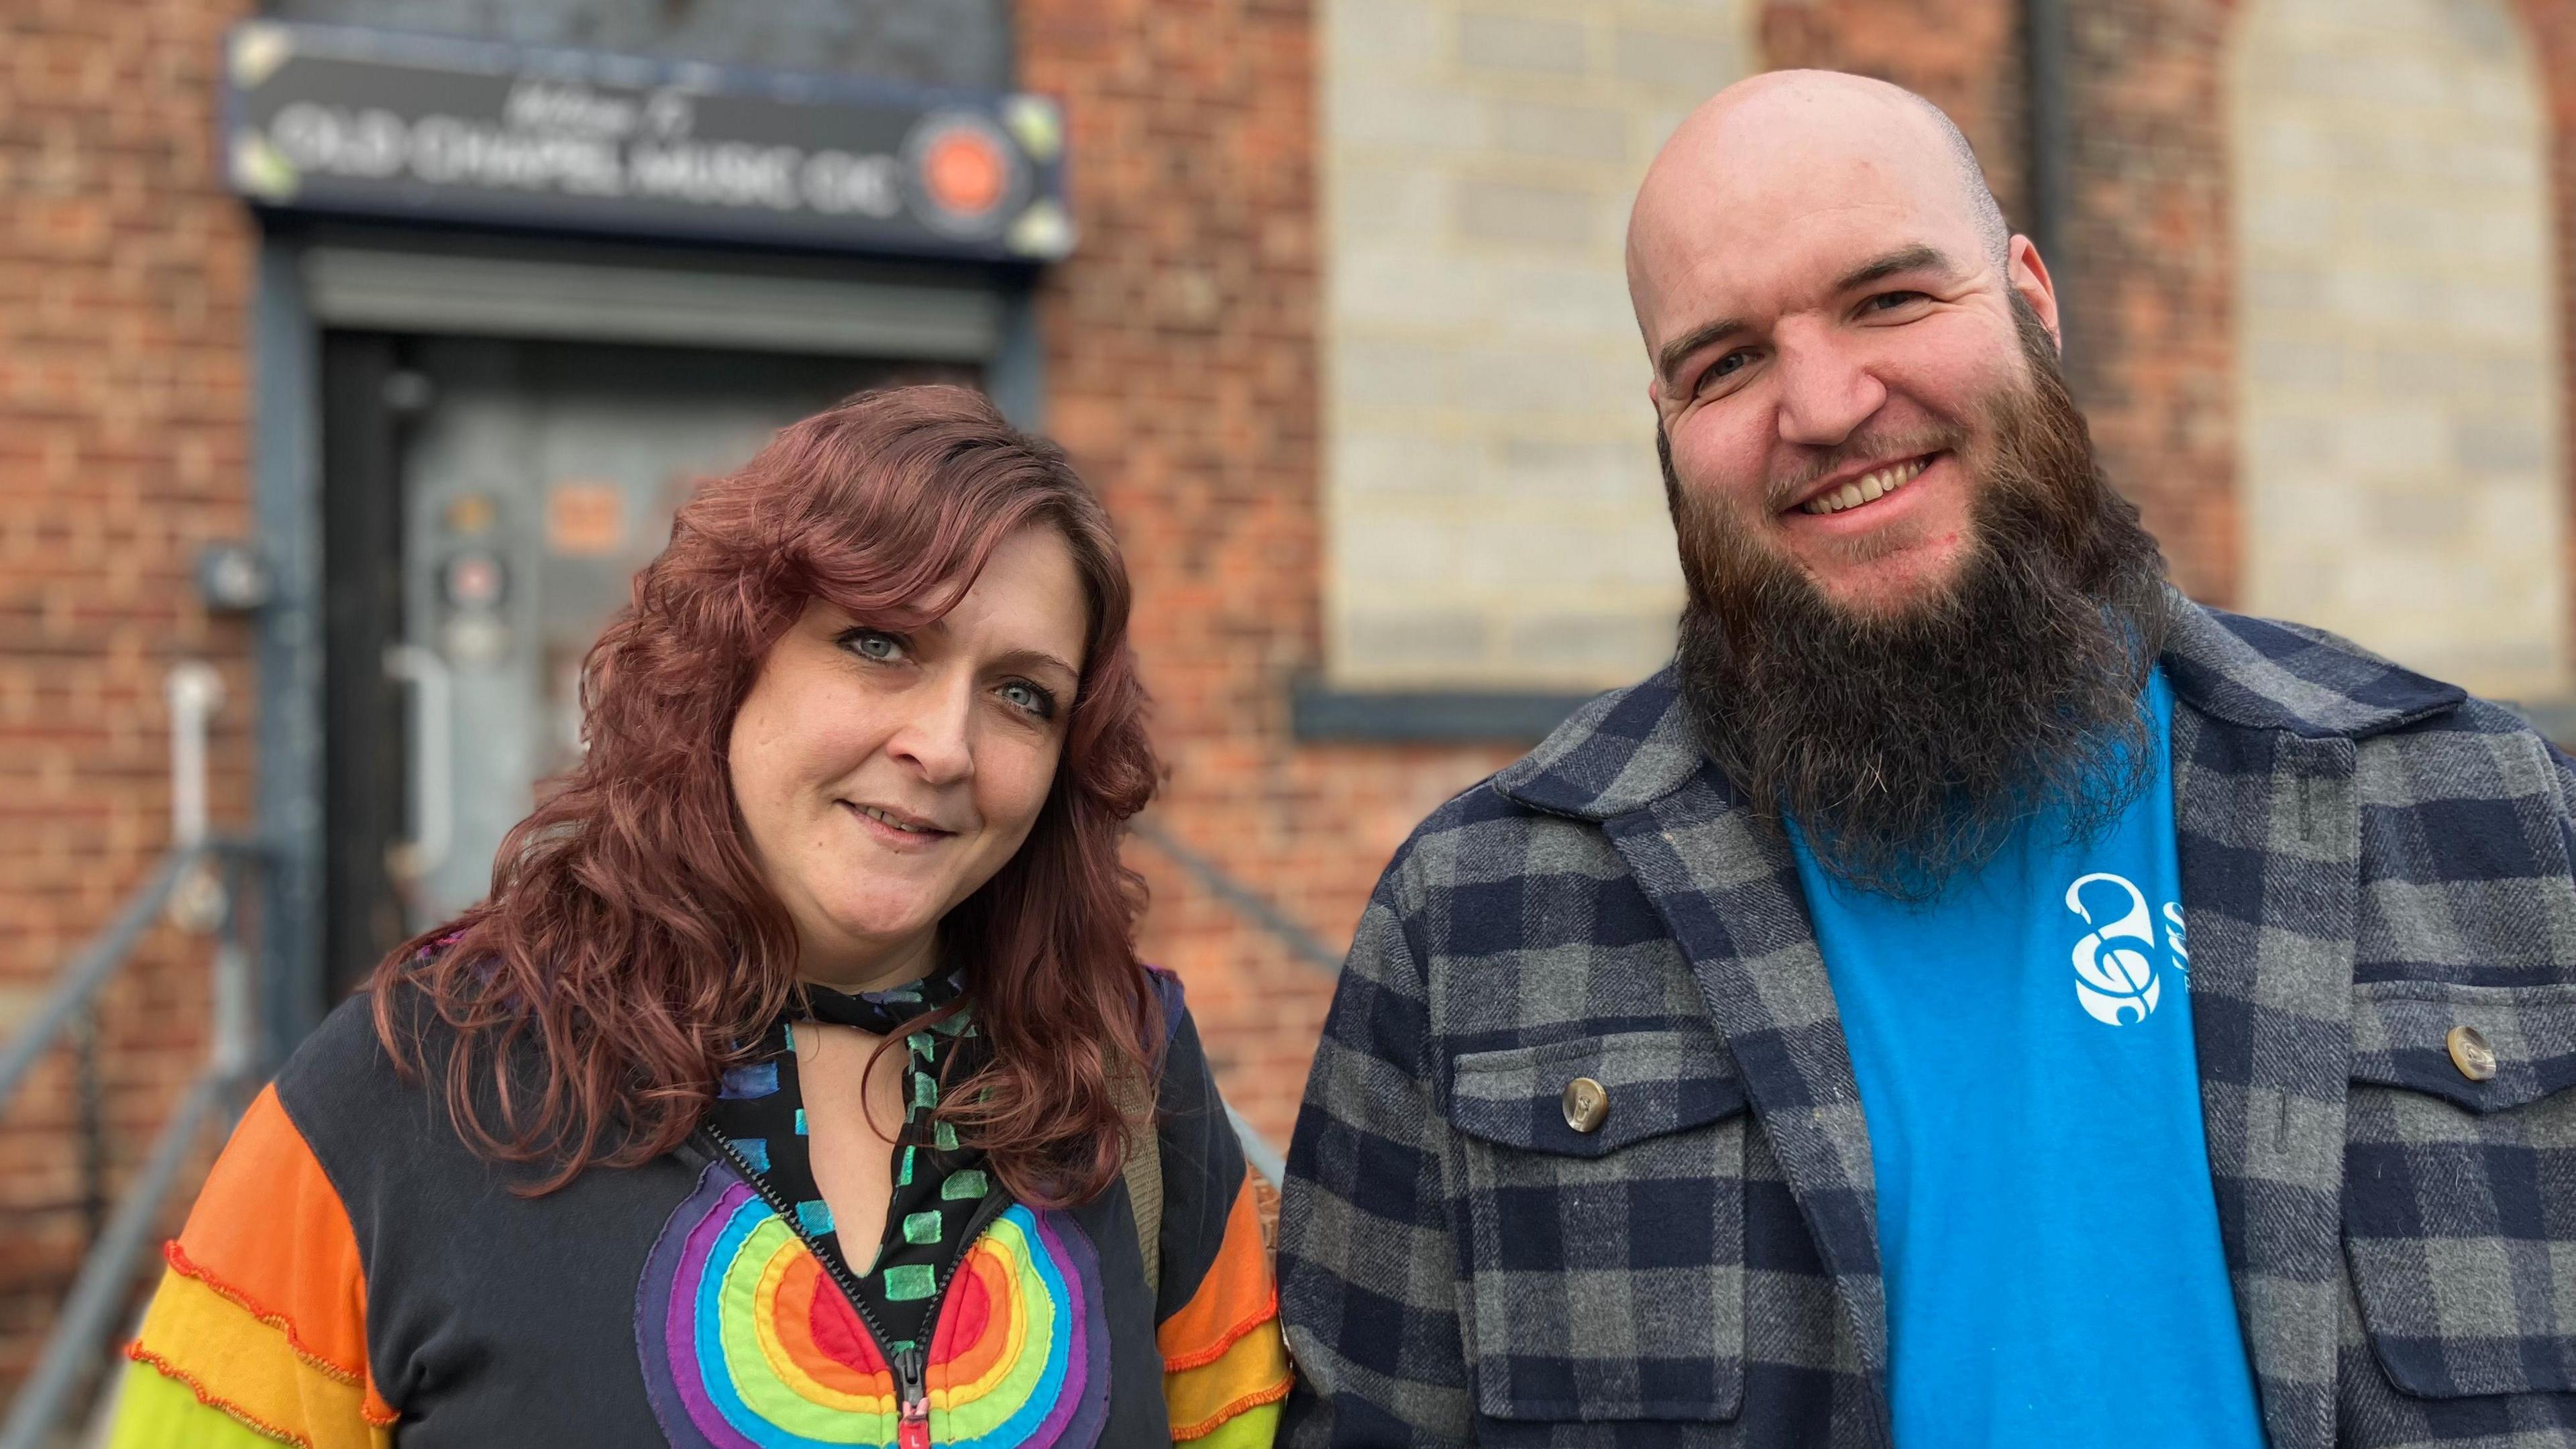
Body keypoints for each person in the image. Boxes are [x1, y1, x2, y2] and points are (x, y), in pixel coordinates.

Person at [1277, 69, 2576, 1449]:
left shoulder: (2493, 824)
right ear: (1665, 427)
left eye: (1890, 299)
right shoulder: (1479, 923)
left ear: (2030, 298)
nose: (1826, 406)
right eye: (1727, 362)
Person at [109, 386, 1290, 1448]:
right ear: (731, 660)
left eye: (1022, 695)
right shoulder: (406, 1084)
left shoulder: (1126, 1070)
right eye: (878, 644)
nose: (945, 746)